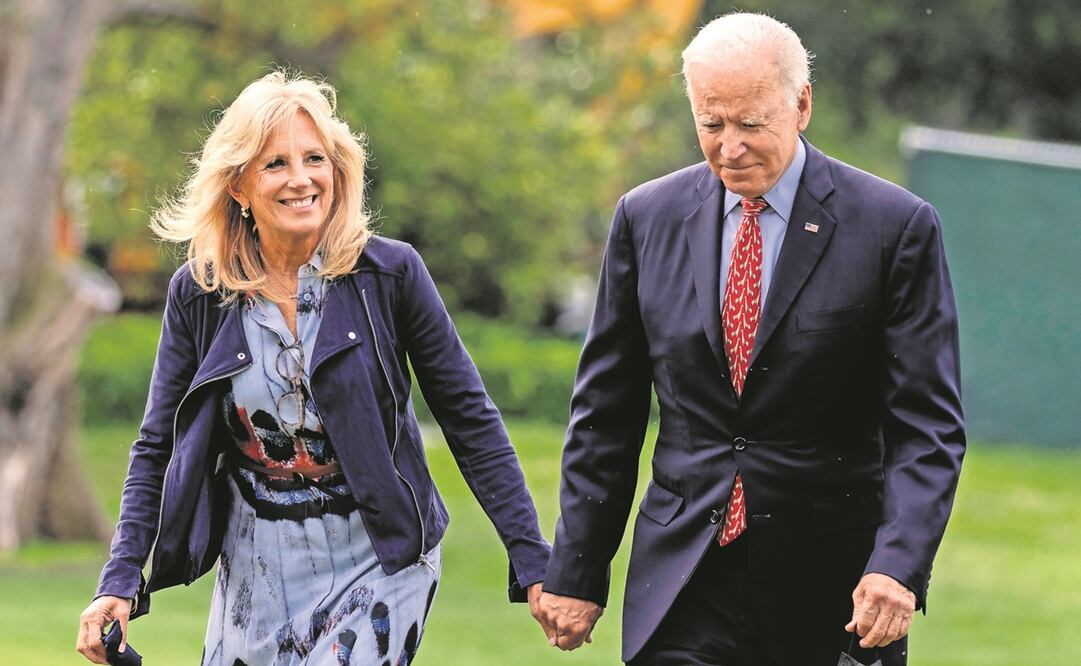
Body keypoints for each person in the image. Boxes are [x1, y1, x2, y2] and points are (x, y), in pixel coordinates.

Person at [76, 71, 550, 665]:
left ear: (338, 171)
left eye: (314, 159)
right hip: (256, 567)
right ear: (239, 187)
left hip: (380, 557)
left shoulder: (391, 275)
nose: (301, 180)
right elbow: (157, 445)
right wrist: (119, 581)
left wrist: (531, 556)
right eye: (275, 164)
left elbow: (470, 421)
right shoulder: (200, 293)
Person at [535, 12, 965, 666]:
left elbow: (926, 425)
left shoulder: (893, 229)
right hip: (681, 580)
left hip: (832, 589)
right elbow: (606, 414)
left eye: (750, 124)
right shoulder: (645, 219)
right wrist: (576, 567)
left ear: (802, 106)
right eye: (710, 123)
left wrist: (897, 566)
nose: (728, 147)